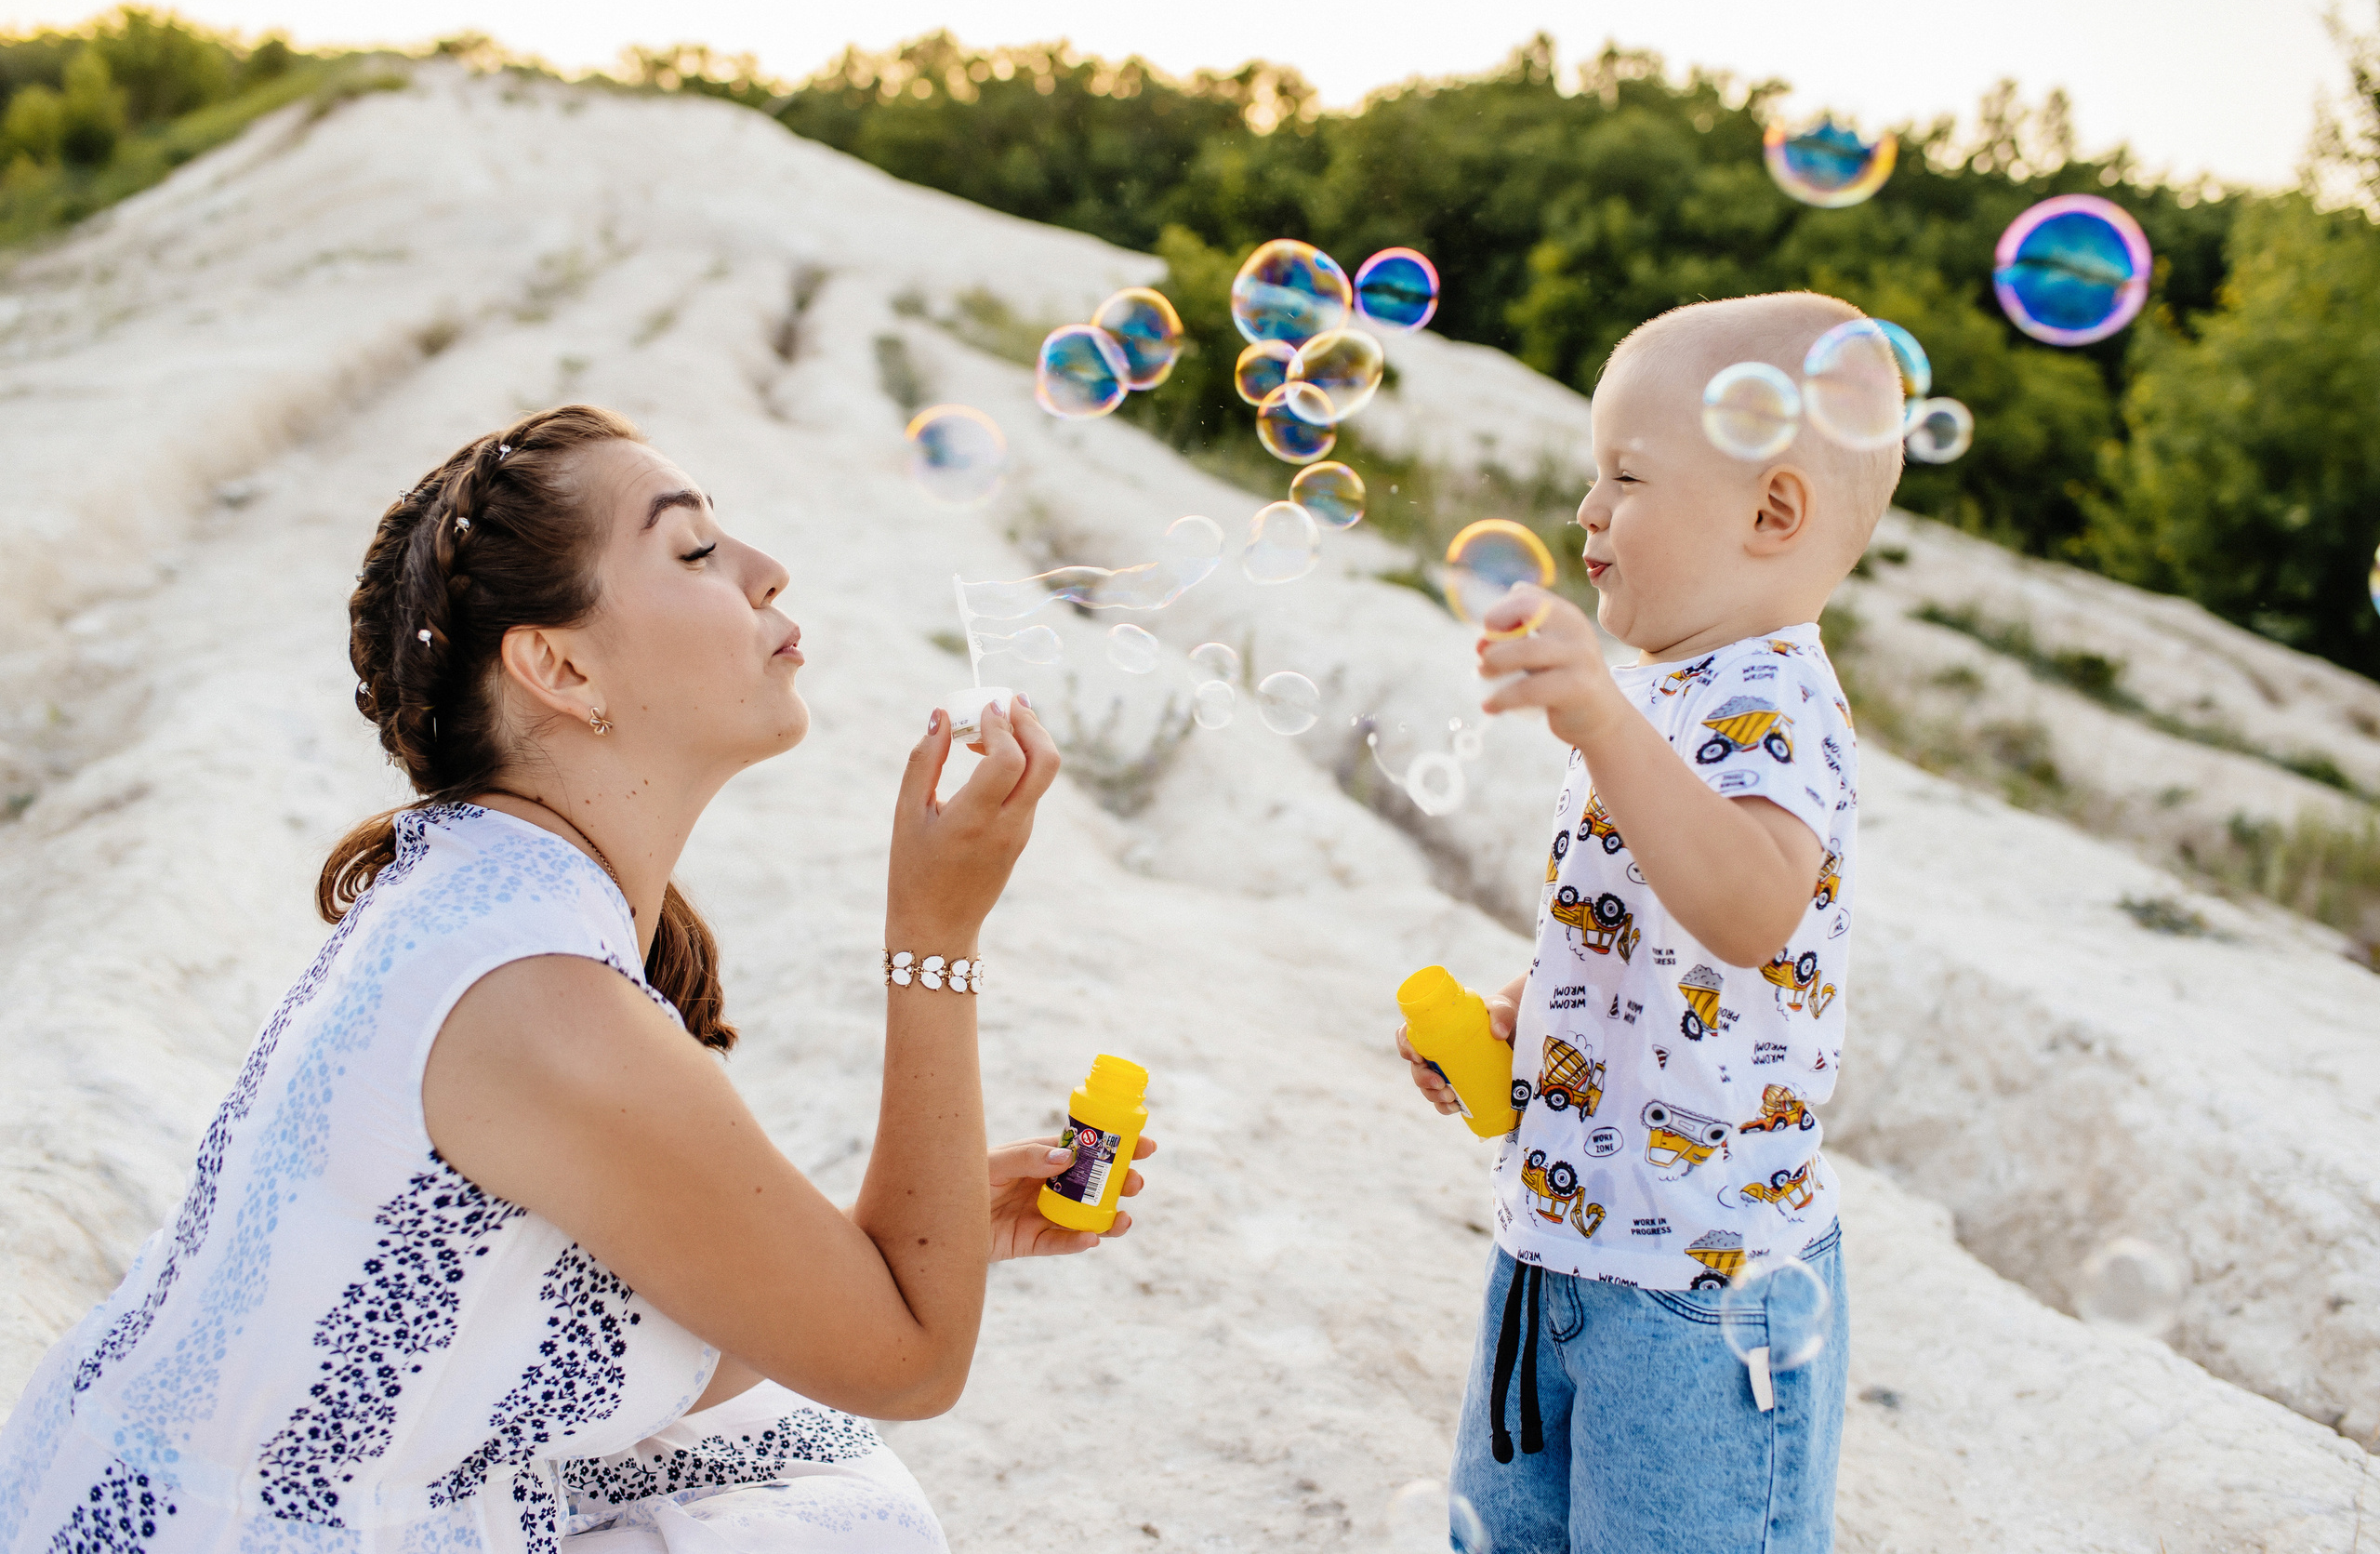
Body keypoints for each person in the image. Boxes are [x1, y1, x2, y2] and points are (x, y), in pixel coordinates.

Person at [0, 405, 1150, 1554]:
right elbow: (912, 1361)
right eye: (696, 550)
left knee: (825, 1492)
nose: (764, 570)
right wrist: (935, 931)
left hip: (141, 1490)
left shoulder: (481, 886)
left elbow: (562, 1301)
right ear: (557, 664)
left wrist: (915, 1232)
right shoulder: (539, 996)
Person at [1395, 294, 1893, 1552]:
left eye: (1625, 476)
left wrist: (1606, 720)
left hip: (1704, 1298)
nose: (1588, 512)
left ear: (1772, 513)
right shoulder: (1671, 687)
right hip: (1561, 1248)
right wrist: (1529, 1023)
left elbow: (1745, 908)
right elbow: (1633, 926)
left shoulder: (1777, 694)